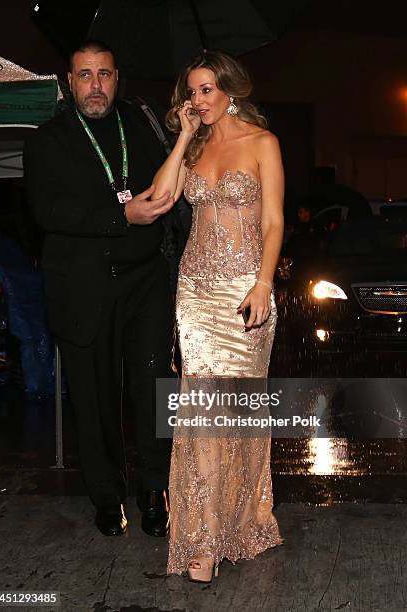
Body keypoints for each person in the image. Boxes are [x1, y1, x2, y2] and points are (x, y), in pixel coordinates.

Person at [23, 40, 175, 538]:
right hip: (85, 289)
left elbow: (173, 181)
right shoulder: (48, 138)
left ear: (117, 78)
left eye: (104, 74)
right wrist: (121, 215)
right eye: (85, 75)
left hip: (147, 281)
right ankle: (107, 496)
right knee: (95, 398)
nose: (95, 85)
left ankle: (155, 492)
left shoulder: (143, 124)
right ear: (70, 81)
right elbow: (50, 213)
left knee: (154, 391)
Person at [153, 51, 284, 581]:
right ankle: (203, 540)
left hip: (245, 291)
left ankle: (246, 519)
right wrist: (183, 137)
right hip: (196, 292)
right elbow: (162, 198)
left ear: (230, 90)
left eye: (207, 90)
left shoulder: (263, 143)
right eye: (192, 91)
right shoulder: (196, 146)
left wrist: (263, 283)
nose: (199, 100)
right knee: (202, 416)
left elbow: (274, 222)